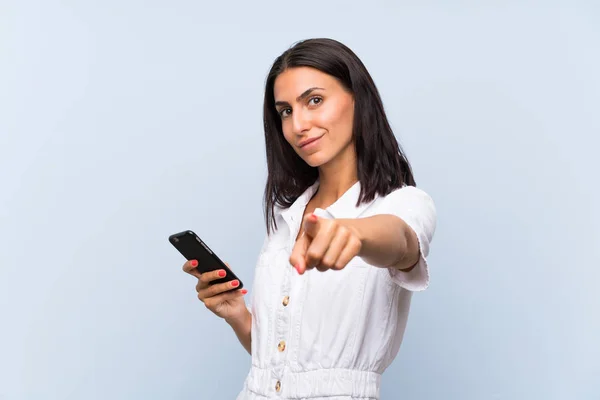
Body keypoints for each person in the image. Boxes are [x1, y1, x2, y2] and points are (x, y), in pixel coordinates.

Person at [182, 38, 436, 400]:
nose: (298, 124)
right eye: (285, 111)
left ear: (358, 100)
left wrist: (355, 234)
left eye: (314, 101)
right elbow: (281, 367)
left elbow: (400, 242)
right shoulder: (286, 219)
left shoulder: (406, 204)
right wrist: (237, 314)